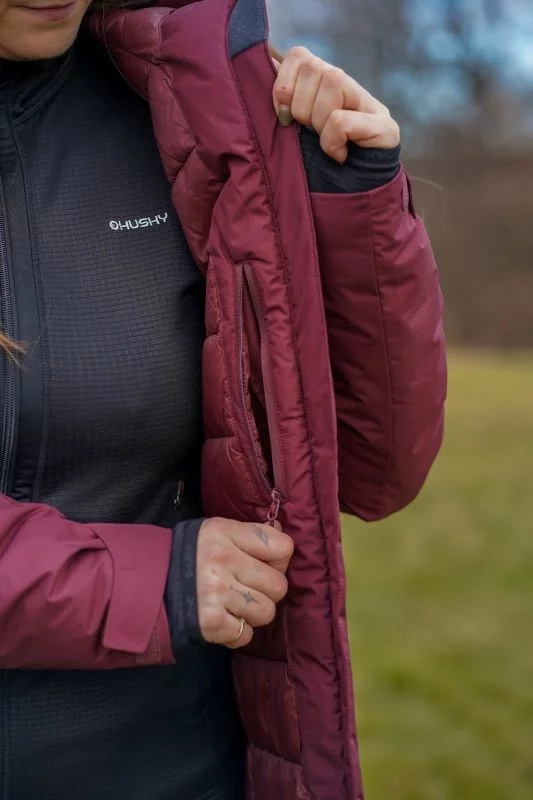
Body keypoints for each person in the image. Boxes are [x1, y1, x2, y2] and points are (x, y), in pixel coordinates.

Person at [0, 0, 446, 798]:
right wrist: (150, 582)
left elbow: (373, 468)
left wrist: (354, 198)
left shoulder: (189, 106)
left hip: (190, 763)